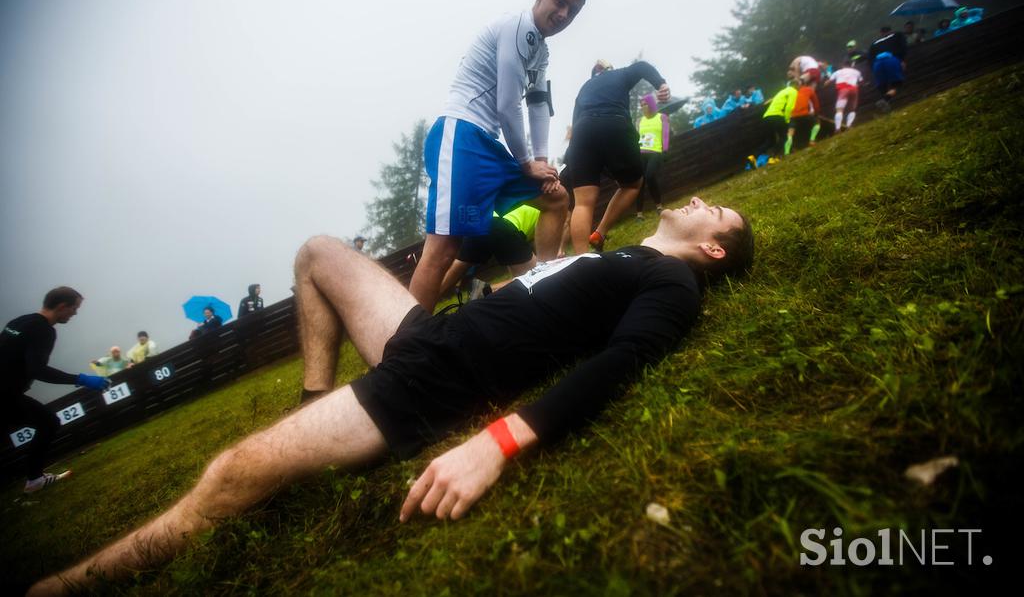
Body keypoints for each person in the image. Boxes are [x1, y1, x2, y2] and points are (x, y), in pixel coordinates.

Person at [29, 197, 753, 594]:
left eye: (717, 211)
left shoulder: (673, 283)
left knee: (231, 476)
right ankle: (315, 402)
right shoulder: (626, 254)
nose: (701, 200)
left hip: (436, 381)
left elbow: (625, 360)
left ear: (714, 248)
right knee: (317, 251)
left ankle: (68, 585)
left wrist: (497, 442)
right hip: (429, 334)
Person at [408, 0, 586, 313]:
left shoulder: (541, 52)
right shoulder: (515, 27)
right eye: (559, 2)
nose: (563, 15)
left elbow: (536, 104)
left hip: (488, 145)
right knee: (443, 249)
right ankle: (401, 348)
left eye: (573, 11)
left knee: (555, 198)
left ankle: (544, 291)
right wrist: (525, 163)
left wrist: (544, 162)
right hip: (461, 135)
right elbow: (507, 105)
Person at [1, 287, 110, 494]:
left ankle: (34, 479)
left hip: (9, 394)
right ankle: (34, 480)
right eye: (74, 308)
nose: (75, 314)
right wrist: (81, 379)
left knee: (46, 422)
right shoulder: (44, 330)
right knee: (48, 422)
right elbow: (38, 369)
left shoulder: (19, 321)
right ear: (62, 307)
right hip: (6, 395)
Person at [564, 59, 671, 253]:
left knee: (583, 202)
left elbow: (575, 123)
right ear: (607, 69)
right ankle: (600, 232)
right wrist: (660, 84)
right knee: (632, 184)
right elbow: (641, 67)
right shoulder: (618, 74)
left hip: (582, 131)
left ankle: (580, 259)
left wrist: (571, 155)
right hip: (615, 123)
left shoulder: (584, 88)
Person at [438, 204, 541, 298]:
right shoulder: (548, 213)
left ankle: (425, 301)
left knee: (458, 266)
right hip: (503, 228)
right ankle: (487, 290)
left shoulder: (527, 201)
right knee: (537, 276)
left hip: (483, 221)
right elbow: (542, 252)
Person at [635, 92, 670, 218]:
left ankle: (659, 206)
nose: (644, 106)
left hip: (655, 151)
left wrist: (665, 150)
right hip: (641, 152)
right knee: (640, 182)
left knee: (650, 176)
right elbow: (637, 137)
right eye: (641, 104)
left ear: (651, 104)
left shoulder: (662, 117)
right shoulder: (639, 120)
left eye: (646, 104)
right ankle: (639, 213)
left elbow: (665, 135)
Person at [869, 26, 907, 112]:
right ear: (891, 31)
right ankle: (885, 100)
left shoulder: (874, 43)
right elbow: (903, 47)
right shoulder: (897, 35)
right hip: (891, 60)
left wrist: (873, 70)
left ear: (881, 33)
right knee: (897, 84)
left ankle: (886, 107)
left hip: (877, 64)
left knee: (882, 86)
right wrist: (902, 60)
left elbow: (870, 59)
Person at [760, 81, 797, 156]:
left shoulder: (781, 92)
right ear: (797, 86)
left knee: (770, 141)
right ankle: (774, 156)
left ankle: (753, 156)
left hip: (767, 116)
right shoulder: (793, 91)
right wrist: (787, 120)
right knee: (784, 137)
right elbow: (789, 107)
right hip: (778, 115)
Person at [825, 60, 863, 132]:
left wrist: (825, 85)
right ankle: (849, 125)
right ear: (851, 65)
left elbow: (828, 82)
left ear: (843, 65)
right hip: (854, 89)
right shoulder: (856, 72)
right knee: (852, 109)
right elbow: (861, 81)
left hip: (843, 90)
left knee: (839, 109)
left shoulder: (838, 72)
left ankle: (837, 128)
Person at [787, 81, 820, 153]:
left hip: (793, 116)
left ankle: (789, 150)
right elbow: (815, 102)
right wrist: (816, 113)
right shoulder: (807, 89)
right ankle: (812, 140)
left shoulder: (788, 93)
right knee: (816, 123)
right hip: (805, 114)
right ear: (800, 85)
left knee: (791, 131)